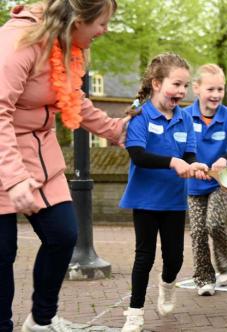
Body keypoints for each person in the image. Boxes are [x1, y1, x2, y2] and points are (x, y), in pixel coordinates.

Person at [0, 1, 130, 331]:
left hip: (40, 155)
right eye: (101, 22)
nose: (105, 30)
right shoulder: (19, 42)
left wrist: (113, 128)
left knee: (63, 234)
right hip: (3, 152)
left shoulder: (66, 48)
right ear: (77, 19)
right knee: (2, 253)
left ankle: (41, 321)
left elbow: (73, 99)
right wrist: (14, 179)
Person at [119, 53, 209, 332]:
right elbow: (137, 154)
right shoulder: (140, 115)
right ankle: (134, 312)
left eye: (185, 86)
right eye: (176, 85)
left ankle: (167, 286)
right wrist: (172, 162)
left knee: (175, 258)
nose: (182, 92)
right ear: (157, 83)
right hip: (145, 200)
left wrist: (196, 166)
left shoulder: (185, 119)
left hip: (174, 201)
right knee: (144, 257)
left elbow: (190, 155)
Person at [184, 64, 227, 296]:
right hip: (194, 183)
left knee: (214, 223)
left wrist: (224, 159)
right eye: (211, 89)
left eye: (220, 89)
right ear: (197, 89)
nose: (216, 95)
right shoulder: (185, 117)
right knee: (198, 232)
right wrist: (192, 165)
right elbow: (182, 148)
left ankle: (225, 263)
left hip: (220, 182)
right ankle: (203, 278)